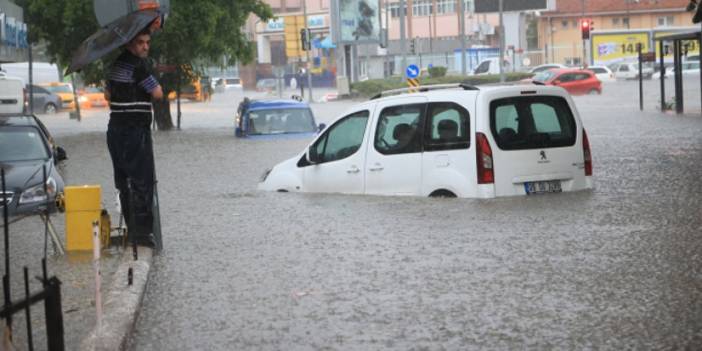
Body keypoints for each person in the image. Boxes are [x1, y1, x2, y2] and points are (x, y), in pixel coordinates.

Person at [104, 28, 163, 248]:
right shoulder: (138, 66)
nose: (145, 47)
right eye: (140, 43)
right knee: (142, 181)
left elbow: (107, 95)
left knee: (123, 182)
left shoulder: (115, 66)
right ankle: (142, 234)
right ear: (129, 44)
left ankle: (133, 229)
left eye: (147, 42)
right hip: (135, 130)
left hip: (115, 130)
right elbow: (158, 93)